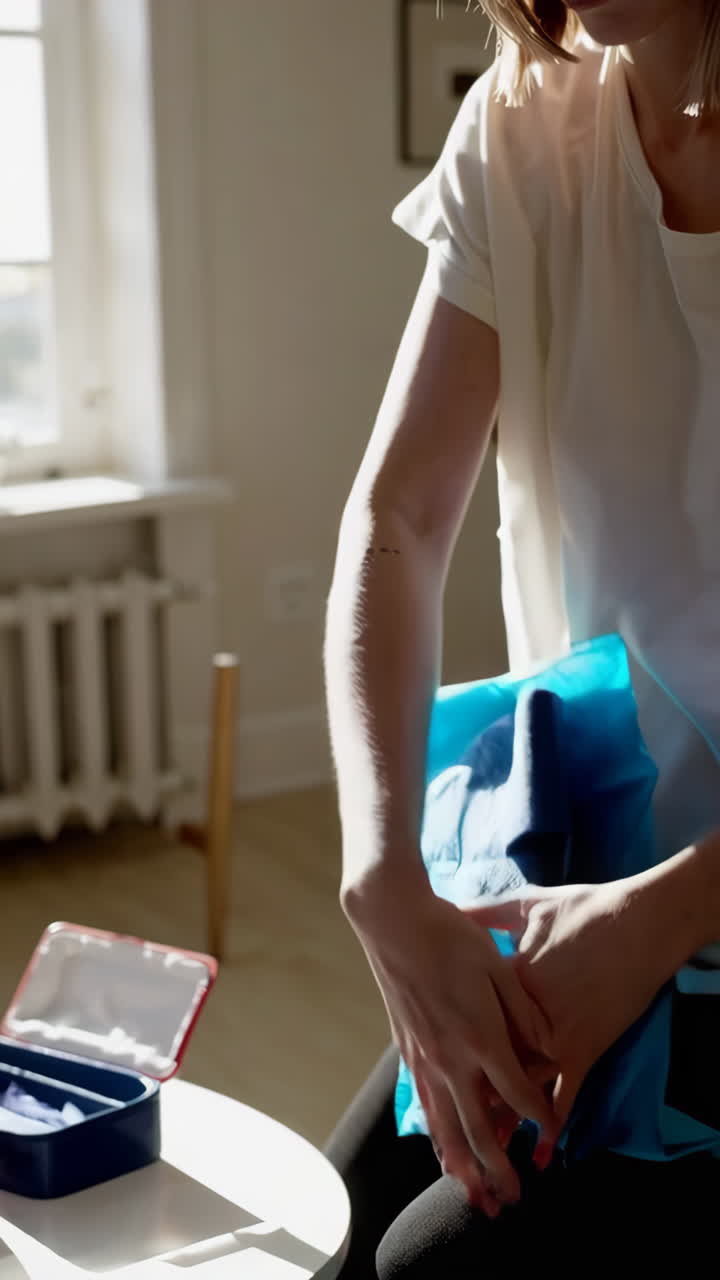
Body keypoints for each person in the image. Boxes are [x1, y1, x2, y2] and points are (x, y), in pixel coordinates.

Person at [323, 0, 720, 1274]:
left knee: (428, 1264)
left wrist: (663, 917)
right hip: (577, 882)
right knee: (332, 1225)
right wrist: (385, 871)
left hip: (680, 918)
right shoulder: (524, 126)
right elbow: (397, 514)